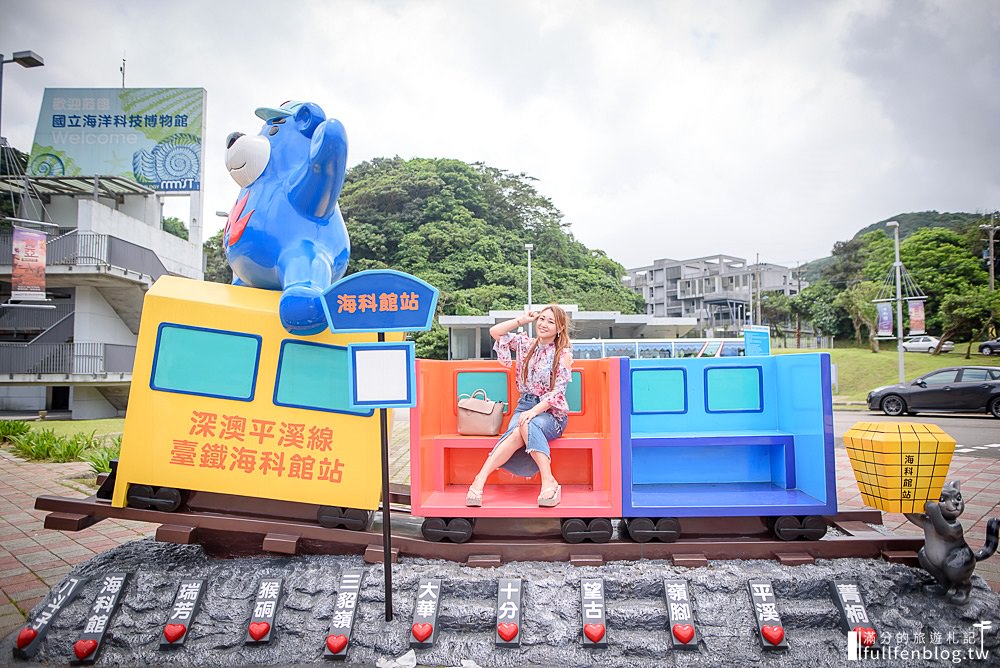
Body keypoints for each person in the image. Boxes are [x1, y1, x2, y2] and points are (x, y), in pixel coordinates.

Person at [465, 304, 573, 508]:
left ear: (559, 328)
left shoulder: (562, 354)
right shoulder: (526, 344)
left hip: (551, 414)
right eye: (542, 319)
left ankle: (545, 480)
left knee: (526, 425)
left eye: (551, 322)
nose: (544, 324)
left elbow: (557, 393)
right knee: (519, 430)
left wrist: (533, 412)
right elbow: (495, 332)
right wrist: (522, 320)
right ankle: (481, 478)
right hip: (524, 405)